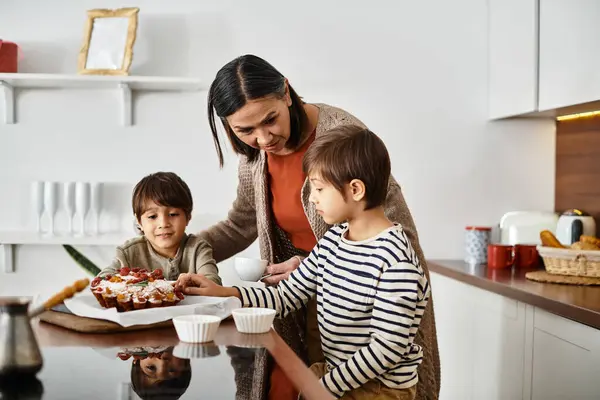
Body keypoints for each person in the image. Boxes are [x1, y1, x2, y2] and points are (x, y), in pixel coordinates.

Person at [198, 54, 440, 400]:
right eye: (246, 131)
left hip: (365, 307)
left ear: (285, 92)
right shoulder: (256, 160)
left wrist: (323, 385)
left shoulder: (341, 137)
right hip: (314, 295)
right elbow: (240, 226)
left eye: (269, 120)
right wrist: (174, 248)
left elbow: (393, 233)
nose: (263, 139)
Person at [97, 172, 221, 285]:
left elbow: (213, 284)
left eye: (173, 214)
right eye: (152, 216)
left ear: (188, 216)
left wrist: (192, 281)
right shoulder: (128, 253)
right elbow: (102, 280)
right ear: (139, 222)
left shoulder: (198, 249)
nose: (163, 223)